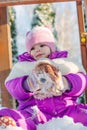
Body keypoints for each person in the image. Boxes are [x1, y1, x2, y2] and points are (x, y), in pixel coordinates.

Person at [0, 26, 87, 130]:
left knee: (82, 114)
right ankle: (8, 121)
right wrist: (28, 84)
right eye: (33, 48)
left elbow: (81, 81)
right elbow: (12, 87)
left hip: (66, 108)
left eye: (42, 45)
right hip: (36, 112)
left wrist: (64, 82)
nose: (37, 50)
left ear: (51, 46)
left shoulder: (64, 63)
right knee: (23, 119)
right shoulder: (23, 66)